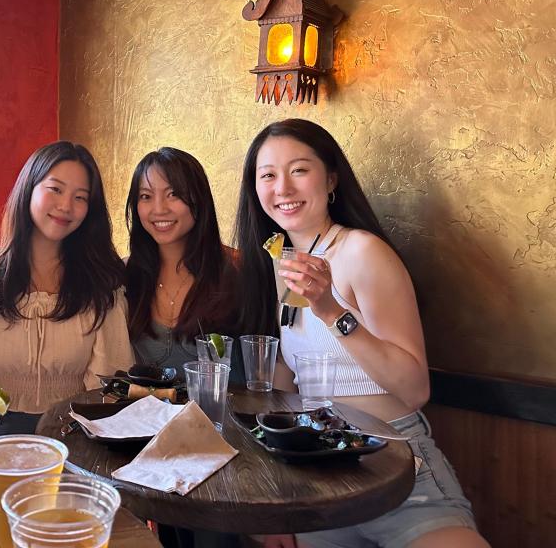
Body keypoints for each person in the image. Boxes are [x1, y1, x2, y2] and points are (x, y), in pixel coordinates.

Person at [234, 119, 489, 548]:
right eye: (268, 175)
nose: (283, 188)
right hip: (319, 476)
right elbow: (281, 394)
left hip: (396, 466)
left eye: (299, 170)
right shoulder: (281, 265)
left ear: (331, 179)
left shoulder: (362, 252)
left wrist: (331, 310)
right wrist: (272, 499)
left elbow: (414, 389)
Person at [0, 141, 133, 435]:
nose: (66, 206)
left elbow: (106, 383)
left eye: (80, 197)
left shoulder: (100, 281)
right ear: (29, 188)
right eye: (56, 189)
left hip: (75, 429)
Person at [126, 147, 277, 387]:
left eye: (173, 194)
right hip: (148, 421)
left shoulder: (239, 272)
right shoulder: (125, 279)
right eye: (146, 196)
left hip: (225, 419)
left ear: (199, 198)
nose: (158, 208)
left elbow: (270, 366)